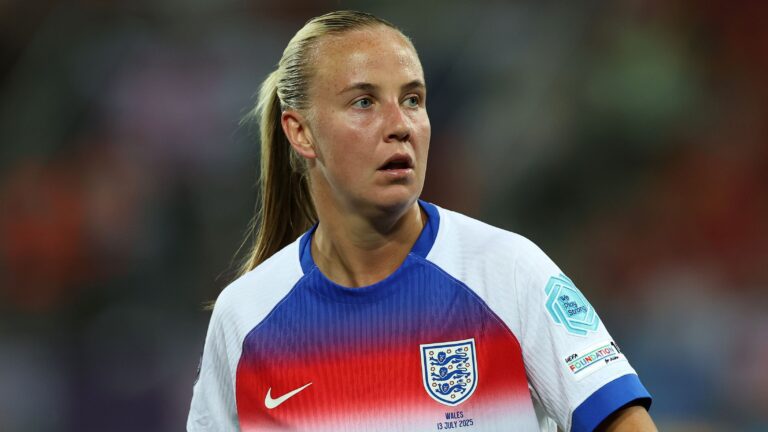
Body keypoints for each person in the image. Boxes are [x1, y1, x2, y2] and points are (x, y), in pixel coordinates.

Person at [187, 10, 657, 432]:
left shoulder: (507, 271)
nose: (401, 125)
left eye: (412, 99)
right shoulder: (245, 317)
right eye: (364, 102)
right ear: (301, 132)